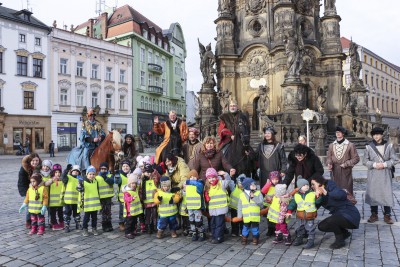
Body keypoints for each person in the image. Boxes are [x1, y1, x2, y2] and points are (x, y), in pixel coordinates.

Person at [311, 175, 360, 249]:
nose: (312, 186)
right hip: (339, 215)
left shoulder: (330, 185)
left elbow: (342, 194)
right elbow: (314, 207)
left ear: (320, 183)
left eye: (313, 184)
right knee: (322, 226)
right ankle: (344, 233)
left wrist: (326, 193)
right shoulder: (319, 195)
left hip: (350, 214)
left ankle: (340, 241)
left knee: (331, 220)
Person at [363, 127, 399, 224]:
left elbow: (395, 159)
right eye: (374, 135)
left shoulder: (389, 146)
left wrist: (384, 164)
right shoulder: (369, 147)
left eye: (378, 134)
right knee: (373, 193)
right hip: (373, 174)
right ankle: (374, 214)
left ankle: (387, 215)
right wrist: (374, 164)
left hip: (385, 174)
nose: (376, 136)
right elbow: (365, 161)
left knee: (386, 193)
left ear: (382, 135)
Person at [287, 178, 323, 249]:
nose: (306, 186)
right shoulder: (296, 195)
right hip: (300, 215)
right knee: (299, 227)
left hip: (310, 215)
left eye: (307, 184)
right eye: (304, 185)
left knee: (310, 228)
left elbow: (318, 202)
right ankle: (299, 238)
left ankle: (310, 241)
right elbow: (293, 204)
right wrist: (289, 211)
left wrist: (319, 197)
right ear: (300, 187)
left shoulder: (312, 194)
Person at [326, 126, 360, 195]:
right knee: (335, 190)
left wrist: (346, 164)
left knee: (346, 190)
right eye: (336, 132)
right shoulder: (331, 145)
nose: (338, 133)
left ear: (343, 133)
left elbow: (356, 158)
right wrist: (329, 163)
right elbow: (329, 157)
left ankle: (348, 204)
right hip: (334, 171)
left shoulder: (350, 145)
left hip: (345, 171)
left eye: (340, 132)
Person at [204, 167, 231, 244]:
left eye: (213, 177)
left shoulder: (221, 184)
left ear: (216, 177)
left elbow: (228, 180)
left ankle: (219, 237)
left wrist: (225, 174)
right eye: (209, 178)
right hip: (213, 209)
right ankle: (214, 236)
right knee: (213, 223)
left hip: (221, 208)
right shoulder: (208, 187)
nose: (211, 179)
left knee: (219, 224)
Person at [236, 178, 263, 246]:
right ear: (247, 186)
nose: (255, 186)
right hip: (246, 216)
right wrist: (239, 215)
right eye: (252, 185)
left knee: (255, 228)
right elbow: (239, 206)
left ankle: (255, 238)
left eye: (254, 184)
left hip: (255, 216)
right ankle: (244, 238)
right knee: (245, 228)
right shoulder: (242, 195)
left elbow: (261, 204)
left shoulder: (258, 193)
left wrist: (254, 198)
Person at [18, 153, 42, 229]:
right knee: (29, 205)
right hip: (26, 188)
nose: (35, 162)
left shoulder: (40, 167)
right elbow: (22, 182)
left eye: (36, 160)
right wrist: (26, 194)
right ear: (29, 161)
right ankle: (28, 221)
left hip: (38, 188)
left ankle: (38, 220)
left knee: (38, 205)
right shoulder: (24, 169)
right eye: (33, 161)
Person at [77, 165, 101, 236]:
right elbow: (79, 188)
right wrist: (80, 187)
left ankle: (94, 228)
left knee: (94, 218)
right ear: (87, 174)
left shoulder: (96, 182)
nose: (92, 176)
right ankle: (85, 229)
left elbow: (97, 191)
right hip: (87, 204)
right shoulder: (83, 182)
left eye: (93, 174)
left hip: (95, 204)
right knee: (86, 218)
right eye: (90, 174)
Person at [185, 169, 206, 241]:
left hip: (197, 207)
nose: (192, 178)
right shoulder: (187, 186)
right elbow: (186, 196)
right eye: (190, 177)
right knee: (191, 220)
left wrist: (189, 182)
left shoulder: (199, 184)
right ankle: (194, 232)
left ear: (197, 177)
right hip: (190, 206)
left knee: (198, 221)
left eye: (194, 177)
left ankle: (201, 232)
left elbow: (199, 187)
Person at [260, 171, 282, 237]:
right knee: (269, 218)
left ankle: (276, 229)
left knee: (275, 217)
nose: (275, 181)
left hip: (275, 205)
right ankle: (270, 229)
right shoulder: (268, 185)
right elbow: (263, 191)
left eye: (277, 179)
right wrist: (268, 184)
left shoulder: (280, 186)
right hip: (267, 205)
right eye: (273, 179)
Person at [122, 173, 143, 239]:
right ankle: (127, 233)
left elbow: (139, 182)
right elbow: (126, 199)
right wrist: (131, 198)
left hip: (135, 211)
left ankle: (133, 231)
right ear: (129, 184)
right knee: (129, 223)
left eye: (135, 183)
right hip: (130, 211)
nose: (134, 185)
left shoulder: (135, 190)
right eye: (132, 183)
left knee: (134, 222)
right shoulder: (127, 192)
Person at [62, 164, 82, 233]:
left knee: (77, 213)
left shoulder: (80, 179)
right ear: (71, 171)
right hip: (68, 200)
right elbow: (63, 177)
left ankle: (78, 223)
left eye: (77, 171)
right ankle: (67, 225)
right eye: (74, 171)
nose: (76, 172)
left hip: (76, 201)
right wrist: (66, 170)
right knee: (67, 213)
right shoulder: (68, 177)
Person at [141, 163, 160, 234]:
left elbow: (158, 177)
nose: (148, 174)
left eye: (149, 172)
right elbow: (140, 190)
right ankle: (148, 226)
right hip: (146, 201)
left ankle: (154, 226)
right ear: (144, 173)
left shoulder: (154, 180)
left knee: (155, 214)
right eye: (146, 172)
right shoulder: (142, 181)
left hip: (154, 201)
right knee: (148, 215)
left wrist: (155, 171)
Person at [96, 162, 115, 232]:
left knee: (108, 211)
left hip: (108, 197)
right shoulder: (97, 177)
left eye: (105, 169)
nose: (103, 170)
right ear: (100, 169)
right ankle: (104, 225)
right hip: (102, 197)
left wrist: (106, 178)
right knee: (104, 212)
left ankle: (109, 224)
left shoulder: (110, 176)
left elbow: (112, 182)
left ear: (107, 169)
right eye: (102, 169)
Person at [46, 164, 64, 231]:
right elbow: (46, 184)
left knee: (60, 212)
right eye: (56, 172)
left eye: (59, 172)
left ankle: (61, 222)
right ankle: (54, 223)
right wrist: (51, 180)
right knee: (52, 213)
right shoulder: (51, 180)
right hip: (52, 201)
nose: (58, 174)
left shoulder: (61, 180)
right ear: (53, 173)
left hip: (60, 200)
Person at [115, 159, 132, 231]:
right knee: (122, 211)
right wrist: (116, 176)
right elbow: (116, 182)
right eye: (124, 166)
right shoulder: (119, 175)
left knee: (129, 211)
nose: (125, 168)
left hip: (130, 197)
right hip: (122, 197)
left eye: (127, 166)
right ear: (121, 168)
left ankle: (129, 223)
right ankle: (121, 223)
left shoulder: (131, 175)